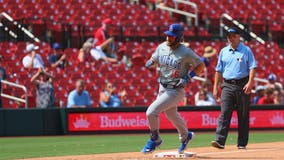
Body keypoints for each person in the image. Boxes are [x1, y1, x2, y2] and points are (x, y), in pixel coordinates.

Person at [141, 23, 205, 154]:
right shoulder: (162, 47)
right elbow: (155, 57)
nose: (168, 38)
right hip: (162, 87)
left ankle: (155, 139)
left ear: (179, 37)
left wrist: (188, 76)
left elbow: (200, 65)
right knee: (171, 114)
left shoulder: (186, 52)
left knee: (151, 112)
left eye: (172, 36)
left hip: (176, 90)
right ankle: (186, 136)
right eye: (167, 35)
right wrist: (151, 61)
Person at [211, 27, 257, 149]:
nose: (231, 38)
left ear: (238, 37)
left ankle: (242, 143)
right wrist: (215, 87)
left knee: (243, 115)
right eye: (229, 36)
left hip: (243, 84)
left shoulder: (246, 50)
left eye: (233, 36)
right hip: (227, 85)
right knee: (224, 113)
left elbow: (252, 67)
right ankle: (220, 141)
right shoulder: (223, 51)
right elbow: (218, 71)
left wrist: (250, 83)